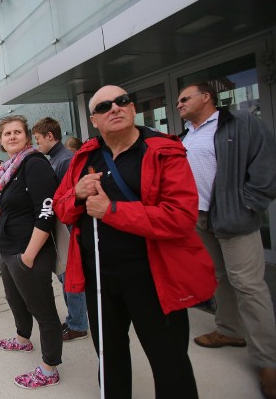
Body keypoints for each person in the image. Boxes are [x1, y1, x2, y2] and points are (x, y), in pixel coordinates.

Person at [53, 85, 217, 398]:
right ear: (94, 120)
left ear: (132, 108)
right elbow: (61, 207)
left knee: (169, 364)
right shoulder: (84, 157)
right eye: (104, 107)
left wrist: (111, 210)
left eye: (122, 101)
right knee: (110, 358)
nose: (114, 108)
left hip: (153, 278)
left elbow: (180, 217)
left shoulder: (161, 150)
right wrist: (77, 194)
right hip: (99, 279)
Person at [178, 82, 276, 399]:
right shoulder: (187, 134)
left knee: (248, 284)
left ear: (206, 97)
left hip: (234, 216)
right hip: (201, 217)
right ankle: (230, 331)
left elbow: (265, 166)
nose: (179, 104)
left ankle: (268, 362)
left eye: (184, 98)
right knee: (219, 277)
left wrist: (249, 204)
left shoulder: (240, 122)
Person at [0, 115, 63, 389]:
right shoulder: (9, 169)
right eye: (6, 133)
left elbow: (47, 209)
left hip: (28, 250)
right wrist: (0, 212)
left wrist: (29, 256)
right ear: (0, 140)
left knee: (43, 310)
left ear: (27, 137)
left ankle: (49, 368)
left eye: (17, 132)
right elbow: (16, 203)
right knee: (15, 300)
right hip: (9, 248)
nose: (11, 136)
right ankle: (22, 339)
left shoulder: (34, 164)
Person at [32, 117, 88, 342]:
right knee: (66, 277)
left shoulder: (65, 160)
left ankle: (78, 324)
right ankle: (75, 319)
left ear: (49, 136)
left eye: (38, 139)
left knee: (70, 277)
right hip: (62, 226)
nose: (37, 145)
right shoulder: (56, 159)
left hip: (68, 227)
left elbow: (66, 197)